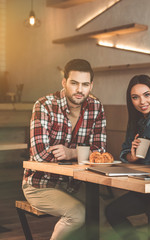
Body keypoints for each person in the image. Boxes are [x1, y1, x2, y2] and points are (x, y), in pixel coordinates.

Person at [22, 59, 106, 240]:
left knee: (102, 212)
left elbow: (99, 151)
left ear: (91, 85)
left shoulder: (96, 106)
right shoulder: (44, 105)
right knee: (78, 214)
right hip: (39, 184)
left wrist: (71, 152)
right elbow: (40, 154)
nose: (79, 89)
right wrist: (84, 153)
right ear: (64, 82)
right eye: (74, 83)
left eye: (85, 84)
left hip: (74, 184)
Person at [105, 75, 150, 240]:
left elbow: (144, 157)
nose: (142, 101)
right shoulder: (137, 118)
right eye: (135, 97)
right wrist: (132, 157)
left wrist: (133, 157)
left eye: (146, 95)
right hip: (147, 184)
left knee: (114, 212)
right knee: (112, 211)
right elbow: (126, 152)